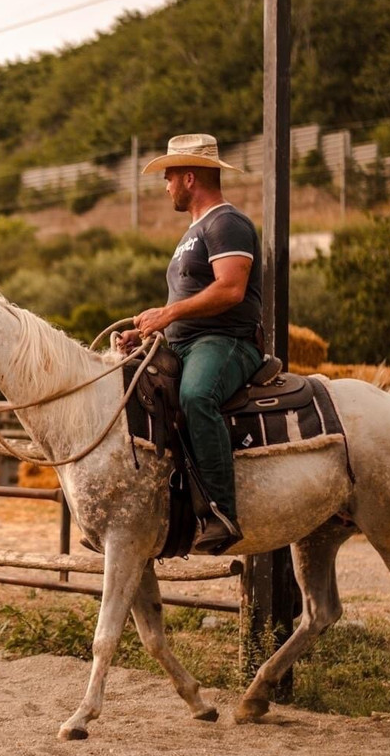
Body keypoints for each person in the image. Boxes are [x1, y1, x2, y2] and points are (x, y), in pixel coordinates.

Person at [122, 133, 263, 553]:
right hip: (185, 343)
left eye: (168, 176)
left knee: (197, 396)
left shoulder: (227, 223)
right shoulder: (193, 233)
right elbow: (186, 300)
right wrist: (149, 330)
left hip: (225, 341)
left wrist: (167, 315)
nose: (164, 185)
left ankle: (221, 511)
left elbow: (231, 290)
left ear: (188, 177)